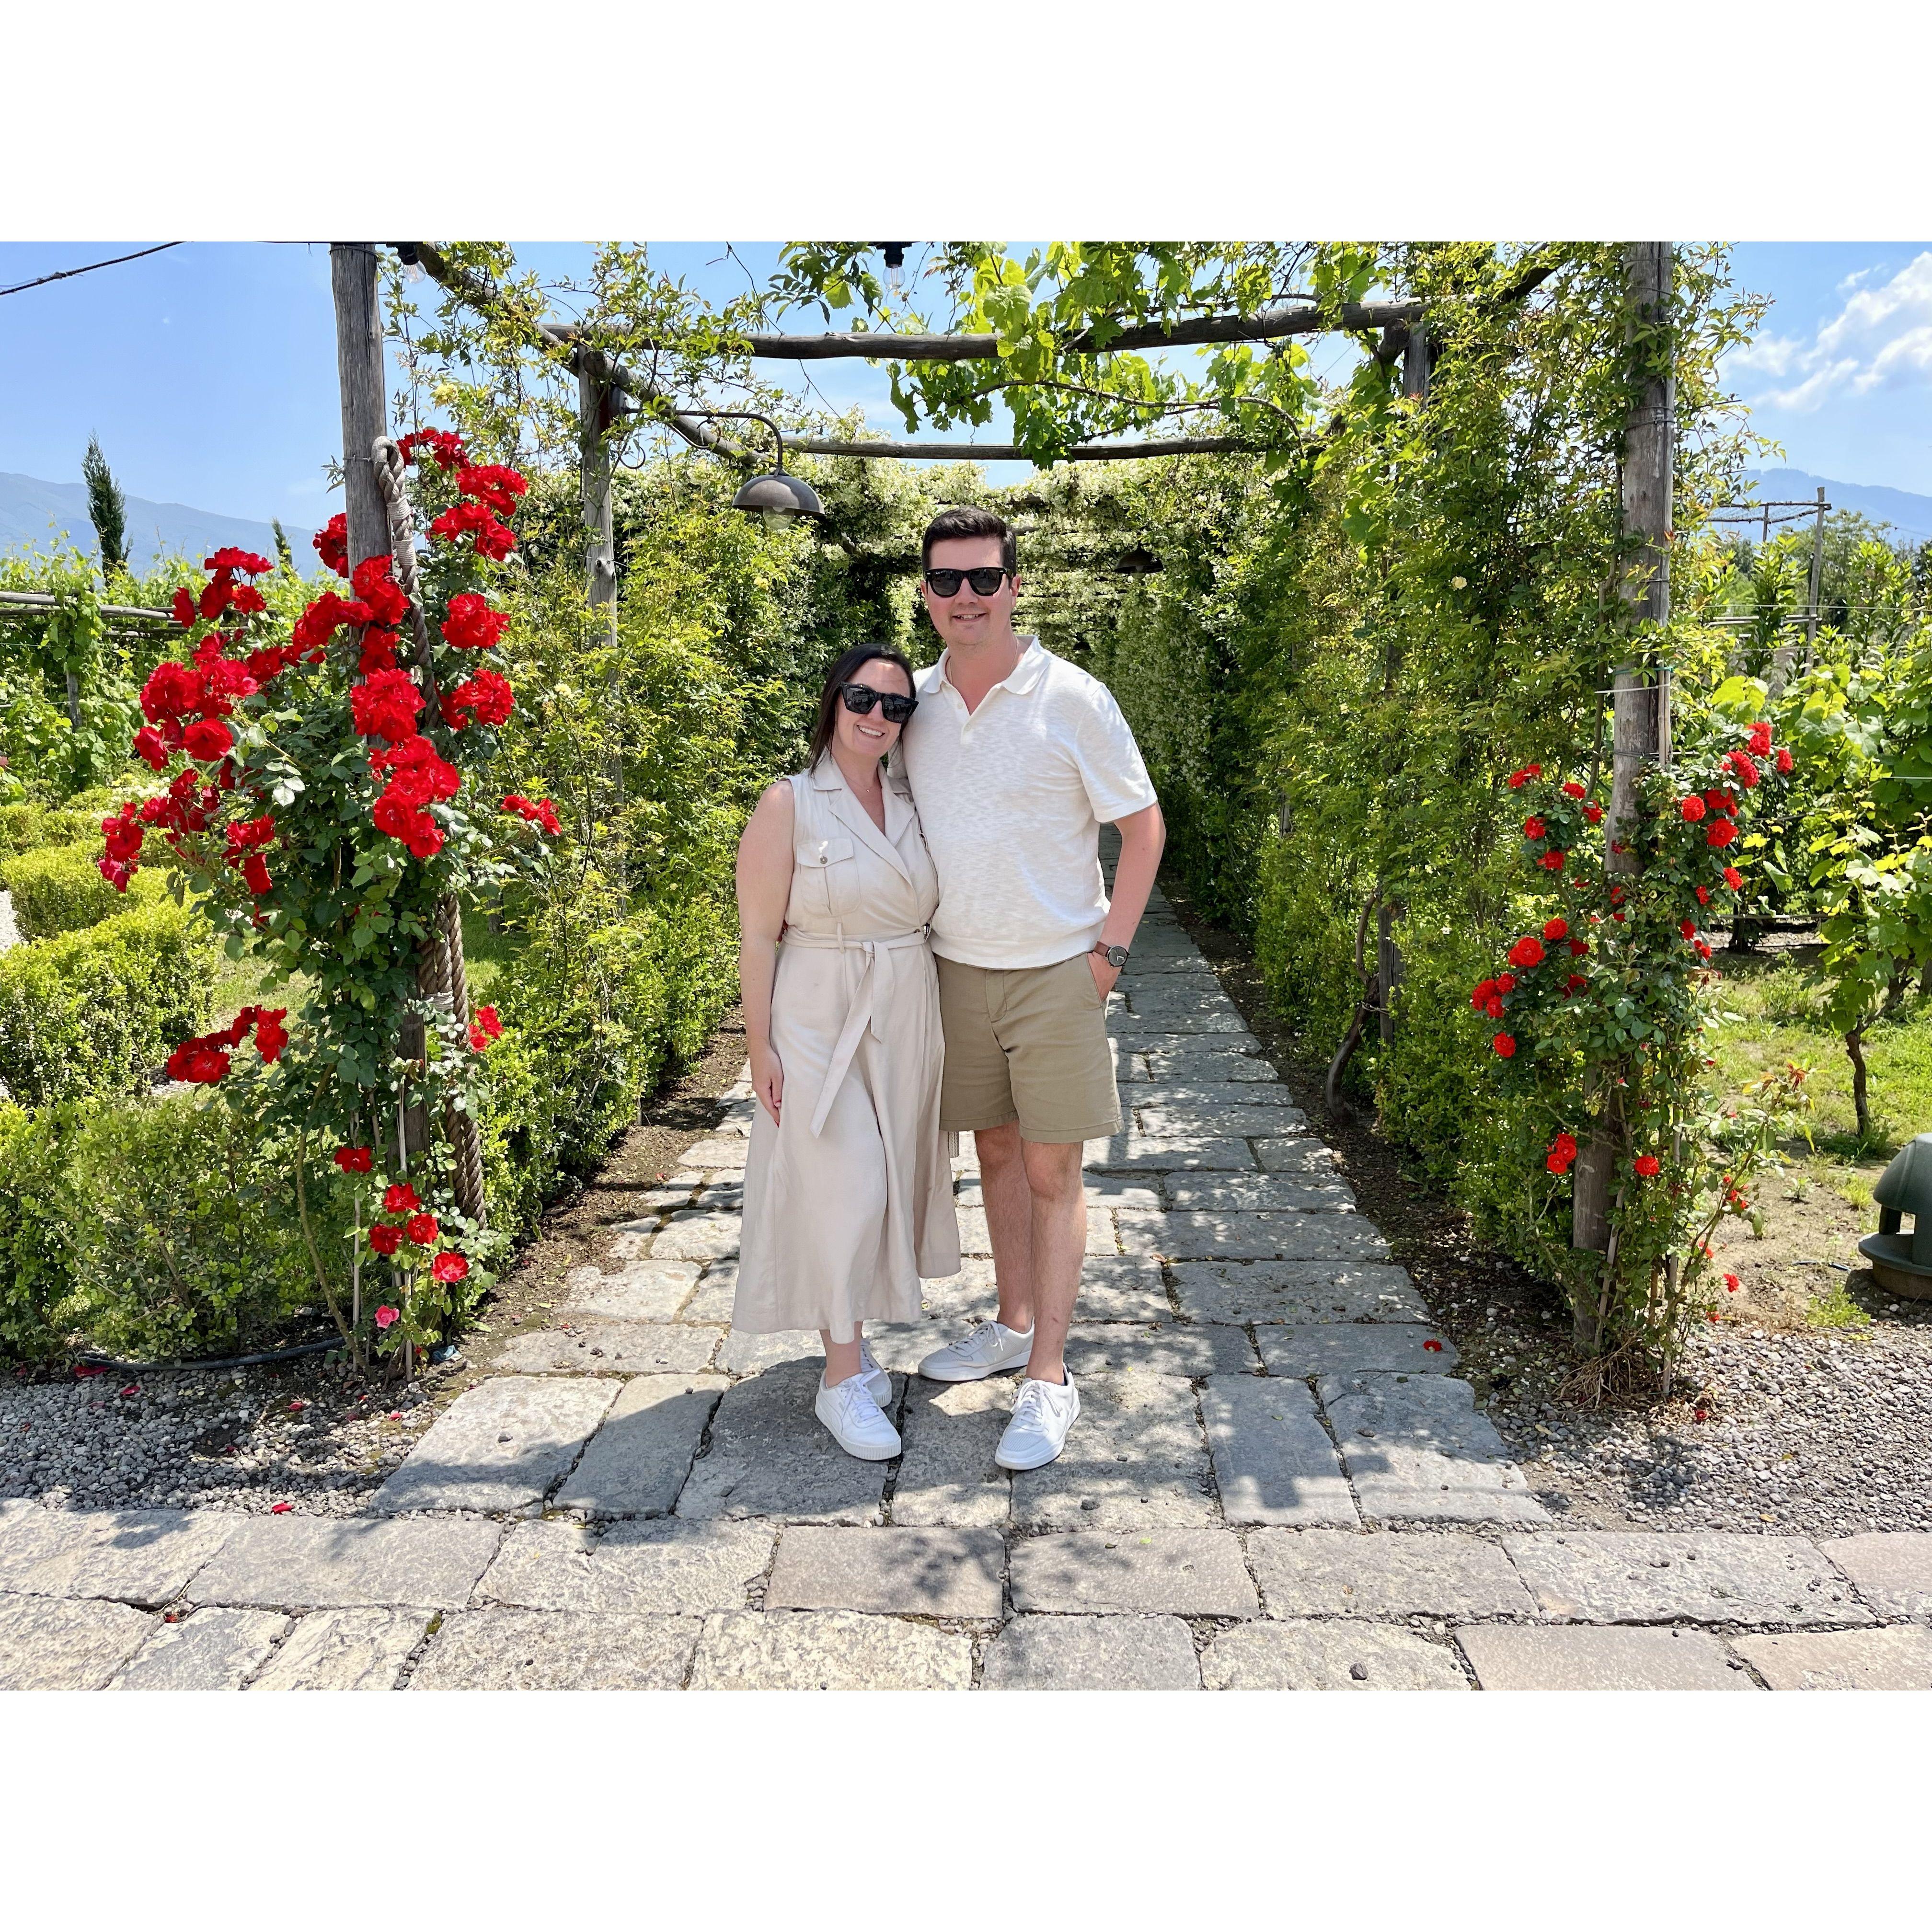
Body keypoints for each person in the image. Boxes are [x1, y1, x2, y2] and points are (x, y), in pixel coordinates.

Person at [899, 505, 1165, 1472]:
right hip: (956, 970)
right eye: (946, 581)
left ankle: (1048, 1378)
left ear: (1015, 585)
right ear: (924, 593)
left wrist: (1108, 959)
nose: (965, 598)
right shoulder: (914, 706)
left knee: (1055, 1174)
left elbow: (1144, 831)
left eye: (983, 579)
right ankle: (1012, 1325)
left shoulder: (1075, 699)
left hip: (1058, 973)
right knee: (997, 1158)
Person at [733, 645, 961, 1460]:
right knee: (849, 1184)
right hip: (817, 1009)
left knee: (894, 1174)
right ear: (834, 700)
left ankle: (853, 1338)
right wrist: (761, 1045)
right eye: (864, 698)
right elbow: (758, 937)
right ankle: (839, 1379)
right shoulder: (786, 804)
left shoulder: (914, 801)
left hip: (906, 1006)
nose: (878, 717)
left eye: (897, 707)